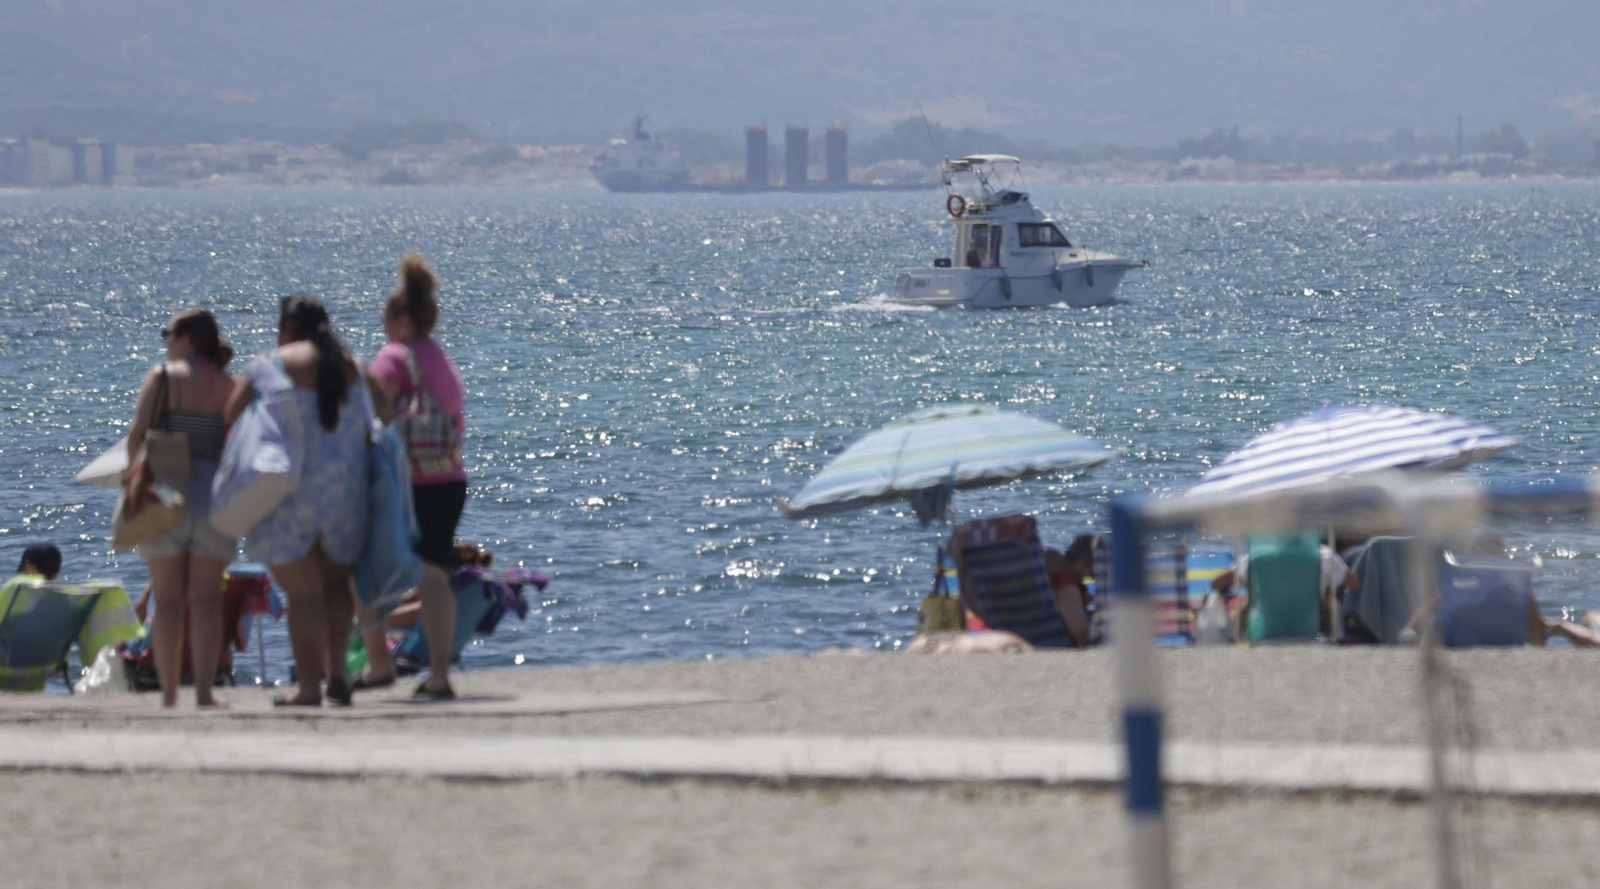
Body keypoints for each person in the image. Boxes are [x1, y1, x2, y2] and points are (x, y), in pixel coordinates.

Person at [226, 295, 369, 707]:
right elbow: (382, 417)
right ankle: (338, 673)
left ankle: (309, 687)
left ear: (286, 329)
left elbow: (228, 417)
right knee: (336, 586)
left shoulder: (269, 364)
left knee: (304, 595)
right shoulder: (354, 367)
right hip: (346, 492)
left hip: (290, 494)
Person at [357, 254, 468, 700]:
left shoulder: (395, 357)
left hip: (408, 483)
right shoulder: (441, 358)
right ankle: (439, 676)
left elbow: (368, 403)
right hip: (449, 477)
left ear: (401, 320)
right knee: (435, 575)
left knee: (360, 570)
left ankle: (378, 663)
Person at [129, 308, 235, 708]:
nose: (165, 341)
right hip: (214, 495)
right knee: (207, 599)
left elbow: (137, 436)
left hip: (166, 489)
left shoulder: (162, 379)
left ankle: (170, 695)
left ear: (186, 339)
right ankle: (205, 693)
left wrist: (131, 483)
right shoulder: (228, 384)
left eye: (168, 333)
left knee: (168, 600)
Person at [1043, 534, 1094, 646]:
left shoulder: (1054, 571)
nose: (1091, 578)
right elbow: (1080, 632)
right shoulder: (1065, 585)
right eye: (1093, 572)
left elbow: (1091, 590)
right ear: (1081, 564)